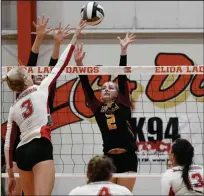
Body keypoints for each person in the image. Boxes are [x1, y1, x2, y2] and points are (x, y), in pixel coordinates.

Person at [3, 19, 86, 196]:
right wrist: (74, 36)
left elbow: (7, 145)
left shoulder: (13, 107)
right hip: (39, 145)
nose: (29, 70)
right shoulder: (43, 89)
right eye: (26, 71)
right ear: (26, 78)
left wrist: (10, 174)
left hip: (21, 152)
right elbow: (60, 64)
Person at [74, 33, 137, 192]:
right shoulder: (97, 108)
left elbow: (122, 76)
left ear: (117, 93)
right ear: (100, 94)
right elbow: (86, 86)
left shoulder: (123, 103)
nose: (106, 89)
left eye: (110, 87)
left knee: (123, 194)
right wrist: (79, 63)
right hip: (108, 159)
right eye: (103, 88)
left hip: (127, 157)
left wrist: (123, 51)